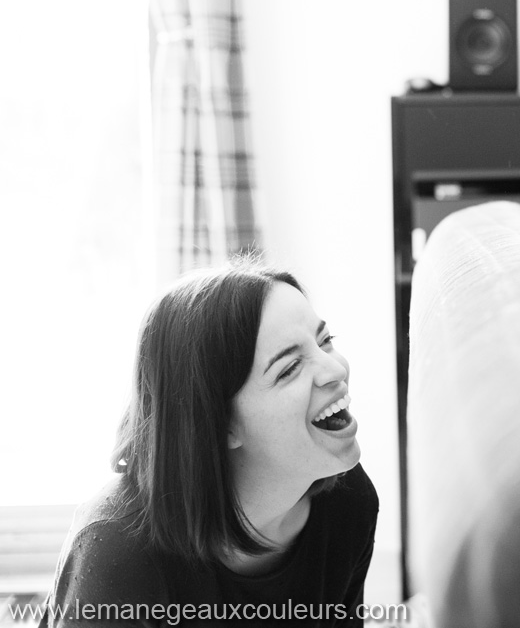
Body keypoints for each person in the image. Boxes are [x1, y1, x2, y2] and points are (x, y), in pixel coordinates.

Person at [40, 259, 378, 627]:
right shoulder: (118, 550)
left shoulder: (348, 503)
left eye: (325, 341)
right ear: (218, 425)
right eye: (289, 368)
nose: (336, 369)